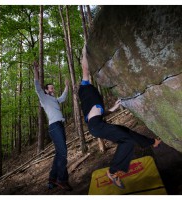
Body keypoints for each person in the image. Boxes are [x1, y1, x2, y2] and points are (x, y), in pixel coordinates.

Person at [78, 46, 161, 189]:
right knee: (127, 141)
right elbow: (85, 69)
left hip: (98, 123)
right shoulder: (84, 88)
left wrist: (112, 109)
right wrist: (85, 52)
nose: (86, 79)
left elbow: (98, 112)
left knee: (126, 131)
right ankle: (113, 171)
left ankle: (152, 142)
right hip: (96, 126)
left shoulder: (91, 97)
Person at [33, 61, 73, 191]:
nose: (53, 89)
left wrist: (67, 86)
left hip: (59, 126)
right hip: (54, 127)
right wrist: (36, 70)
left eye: (53, 87)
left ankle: (52, 180)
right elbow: (37, 86)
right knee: (63, 153)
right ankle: (62, 179)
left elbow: (63, 97)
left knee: (59, 153)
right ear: (46, 90)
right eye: (51, 88)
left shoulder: (54, 99)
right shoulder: (43, 98)